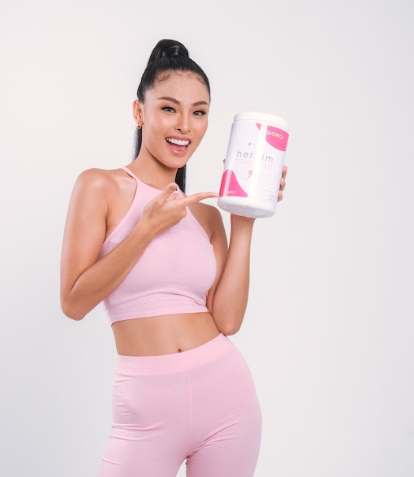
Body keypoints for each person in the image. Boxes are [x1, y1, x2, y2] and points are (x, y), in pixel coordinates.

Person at [60, 39, 287, 477]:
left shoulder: (205, 214)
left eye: (199, 112)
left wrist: (244, 218)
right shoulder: (99, 186)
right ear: (139, 112)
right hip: (146, 411)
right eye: (168, 108)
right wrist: (145, 228)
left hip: (228, 401)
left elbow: (228, 321)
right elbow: (73, 301)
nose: (184, 125)